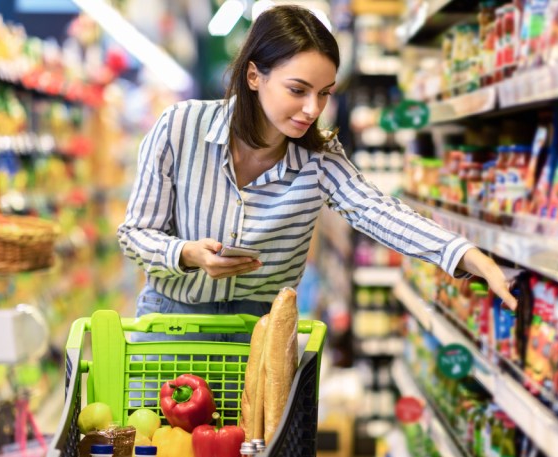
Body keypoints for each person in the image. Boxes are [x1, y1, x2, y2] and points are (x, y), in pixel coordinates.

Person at [117, 4, 517, 343]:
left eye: (324, 93)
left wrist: (467, 255)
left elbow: (378, 211)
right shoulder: (180, 127)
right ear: (254, 76)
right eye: (298, 90)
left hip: (262, 336)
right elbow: (135, 233)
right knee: (163, 436)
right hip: (171, 325)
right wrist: (186, 254)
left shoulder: (320, 156)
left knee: (258, 439)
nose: (313, 109)